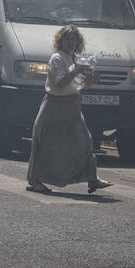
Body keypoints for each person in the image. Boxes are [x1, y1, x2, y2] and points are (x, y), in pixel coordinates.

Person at [27, 24, 113, 195]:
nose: (70, 43)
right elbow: (60, 83)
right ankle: (35, 180)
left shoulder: (76, 59)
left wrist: (88, 78)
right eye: (67, 39)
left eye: (74, 40)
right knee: (48, 144)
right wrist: (77, 70)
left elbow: (82, 85)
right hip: (56, 105)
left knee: (84, 142)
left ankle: (92, 179)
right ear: (61, 41)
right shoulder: (56, 58)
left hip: (73, 104)